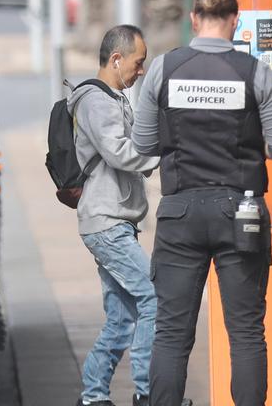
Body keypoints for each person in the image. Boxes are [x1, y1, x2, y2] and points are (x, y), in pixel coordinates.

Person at [133, 0, 272, 406]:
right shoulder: (254, 71)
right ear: (235, 20)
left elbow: (142, 142)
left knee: (171, 331)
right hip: (240, 212)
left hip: (180, 209)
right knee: (245, 330)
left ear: (193, 19)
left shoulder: (164, 68)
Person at [68, 24, 160, 406]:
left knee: (122, 318)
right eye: (138, 63)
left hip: (115, 220)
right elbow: (120, 152)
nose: (140, 71)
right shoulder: (96, 101)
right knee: (154, 297)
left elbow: (138, 146)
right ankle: (147, 391)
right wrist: (163, 154)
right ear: (116, 58)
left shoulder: (113, 98)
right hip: (107, 223)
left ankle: (93, 395)